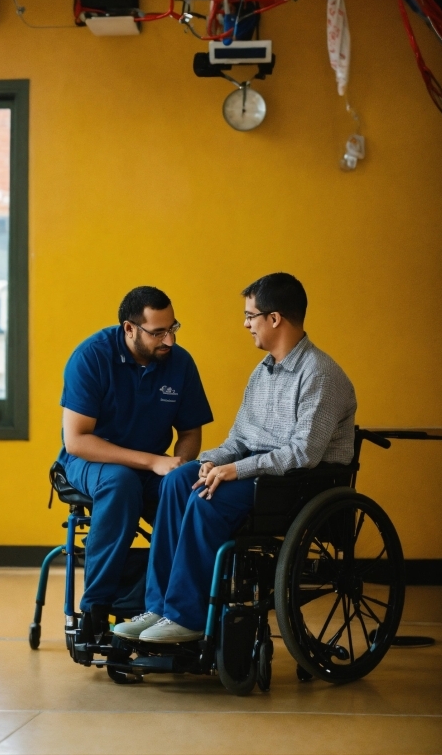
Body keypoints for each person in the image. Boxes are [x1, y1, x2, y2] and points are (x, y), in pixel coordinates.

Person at [114, 272, 357, 644]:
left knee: (207, 496)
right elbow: (241, 438)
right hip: (260, 474)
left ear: (274, 319)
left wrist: (234, 470)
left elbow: (302, 453)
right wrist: (210, 461)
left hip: (296, 481)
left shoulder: (320, 375)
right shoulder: (263, 372)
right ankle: (159, 606)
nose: (245, 324)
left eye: (250, 315)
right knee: (179, 480)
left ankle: (187, 617)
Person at [58, 285, 213, 638]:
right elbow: (77, 439)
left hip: (153, 468)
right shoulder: (91, 357)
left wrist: (178, 465)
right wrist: (152, 462)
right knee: (121, 482)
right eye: (158, 332)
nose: (169, 340)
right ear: (129, 329)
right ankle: (96, 607)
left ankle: (178, 611)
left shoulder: (180, 363)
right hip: (91, 461)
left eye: (173, 328)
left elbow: (190, 432)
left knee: (190, 490)